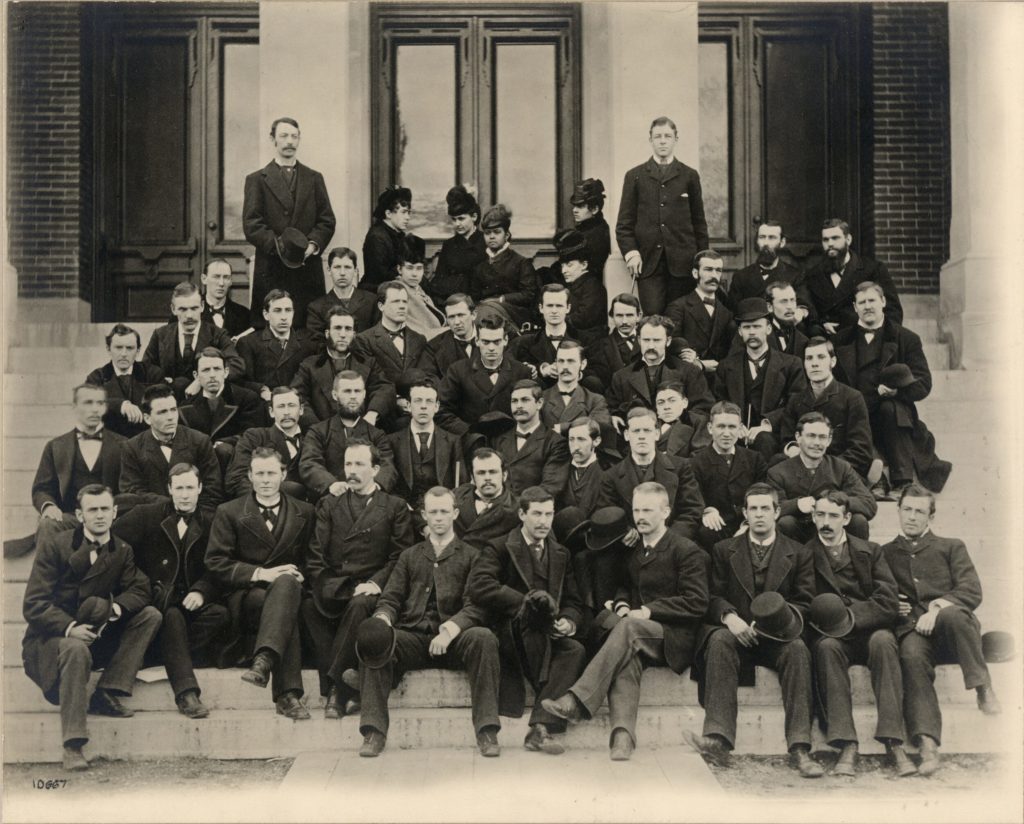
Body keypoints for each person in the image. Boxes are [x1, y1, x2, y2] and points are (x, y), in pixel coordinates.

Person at [541, 482, 709, 761]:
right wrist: (622, 604)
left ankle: (577, 701)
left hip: (675, 637)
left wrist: (647, 611)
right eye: (636, 510)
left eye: (648, 510)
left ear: (665, 512)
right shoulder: (634, 550)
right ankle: (622, 737)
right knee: (626, 656)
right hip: (640, 634)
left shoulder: (685, 550)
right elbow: (626, 587)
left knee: (627, 628)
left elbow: (697, 602)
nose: (640, 516)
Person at [352, 487, 501, 758]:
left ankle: (487, 731)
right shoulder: (410, 556)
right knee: (377, 638)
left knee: (484, 638)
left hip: (456, 641)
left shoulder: (472, 555)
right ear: (424, 515)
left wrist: (449, 631)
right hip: (414, 637)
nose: (439, 518)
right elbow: (391, 598)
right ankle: (373, 732)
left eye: (445, 511)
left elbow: (476, 606)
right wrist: (383, 619)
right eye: (433, 512)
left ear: (455, 513)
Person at [683, 484, 820, 777]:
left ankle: (800, 748)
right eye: (753, 509)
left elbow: (805, 603)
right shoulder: (723, 550)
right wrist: (729, 617)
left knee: (798, 650)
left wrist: (775, 622)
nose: (759, 515)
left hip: (779, 636)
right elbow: (712, 595)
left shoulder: (798, 553)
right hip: (737, 633)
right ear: (745, 514)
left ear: (777, 512)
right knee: (718, 639)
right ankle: (718, 739)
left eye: (765, 509)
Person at [22, 484, 161, 770]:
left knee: (150, 615)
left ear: (115, 512)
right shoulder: (56, 546)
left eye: (104, 509)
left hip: (96, 634)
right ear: (79, 514)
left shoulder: (121, 549)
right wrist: (70, 627)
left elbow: (140, 588)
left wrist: (113, 610)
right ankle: (73, 744)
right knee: (75, 649)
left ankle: (108, 689)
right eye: (92, 510)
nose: (99, 515)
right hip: (52, 641)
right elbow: (34, 604)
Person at [882, 485, 1001, 776]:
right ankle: (927, 745)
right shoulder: (884, 553)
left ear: (930, 517)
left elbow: (971, 590)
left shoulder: (951, 546)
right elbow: (879, 594)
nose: (911, 517)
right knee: (910, 655)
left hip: (953, 632)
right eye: (906, 509)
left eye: (919, 512)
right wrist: (891, 606)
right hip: (913, 632)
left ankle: (982, 686)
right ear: (898, 511)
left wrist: (937, 608)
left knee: (955, 616)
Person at [469, 487, 587, 756]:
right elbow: (480, 586)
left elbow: (573, 600)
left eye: (549, 514)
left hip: (547, 632)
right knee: (534, 621)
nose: (544, 521)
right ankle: (544, 719)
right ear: (522, 514)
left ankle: (540, 728)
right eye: (537, 514)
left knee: (575, 649)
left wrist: (568, 621)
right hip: (511, 632)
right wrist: (525, 602)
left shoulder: (560, 553)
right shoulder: (499, 546)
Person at [806, 490, 913, 777]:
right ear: (814, 517)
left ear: (847, 518)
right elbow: (803, 600)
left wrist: (851, 616)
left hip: (868, 630)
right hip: (831, 635)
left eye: (833, 516)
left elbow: (888, 600)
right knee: (826, 648)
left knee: (885, 641)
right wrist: (830, 619)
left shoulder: (870, 550)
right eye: (820, 515)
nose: (826, 522)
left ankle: (893, 741)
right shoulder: (804, 554)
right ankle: (846, 743)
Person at [303, 441, 414, 718]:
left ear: (375, 469)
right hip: (335, 584)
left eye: (359, 464)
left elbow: (400, 557)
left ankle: (336, 689)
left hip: (374, 586)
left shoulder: (395, 506)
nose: (351, 471)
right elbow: (316, 554)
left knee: (360, 604)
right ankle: (350, 691)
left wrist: (376, 583)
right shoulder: (329, 503)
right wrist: (326, 585)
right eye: (348, 464)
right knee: (308, 607)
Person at [111, 463, 229, 719]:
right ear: (169, 489)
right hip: (156, 600)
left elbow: (220, 566)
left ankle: (163, 654)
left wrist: (201, 591)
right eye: (179, 488)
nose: (184, 495)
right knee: (172, 617)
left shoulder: (213, 520)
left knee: (219, 615)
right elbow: (115, 545)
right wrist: (142, 582)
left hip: (191, 603)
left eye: (189, 488)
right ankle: (187, 693)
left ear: (199, 489)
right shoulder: (146, 515)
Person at [205, 448, 314, 719]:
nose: (266, 479)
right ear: (250, 476)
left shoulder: (306, 511)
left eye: (272, 473)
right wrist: (261, 574)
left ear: (284, 475)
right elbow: (216, 562)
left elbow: (315, 558)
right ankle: (287, 693)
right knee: (283, 592)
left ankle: (264, 662)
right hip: (248, 598)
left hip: (291, 592)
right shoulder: (229, 511)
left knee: (288, 585)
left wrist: (304, 575)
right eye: (260, 473)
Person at [834, 281, 952, 495]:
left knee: (891, 409)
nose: (867, 306)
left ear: (883, 302)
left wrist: (898, 392)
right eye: (862, 302)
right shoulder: (841, 340)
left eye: (872, 300)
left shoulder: (906, 338)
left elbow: (923, 383)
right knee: (854, 415)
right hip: (855, 410)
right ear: (855, 307)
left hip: (890, 412)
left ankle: (902, 480)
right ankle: (876, 479)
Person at [243, 116, 336, 329]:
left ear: (299, 140)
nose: (289, 142)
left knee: (308, 327)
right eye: (283, 136)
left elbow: (327, 220)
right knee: (271, 329)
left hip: (307, 268)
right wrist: (279, 246)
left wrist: (312, 246)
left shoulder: (314, 178)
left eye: (294, 136)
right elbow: (252, 223)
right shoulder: (256, 180)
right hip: (272, 267)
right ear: (272, 140)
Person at [615, 116, 709, 314]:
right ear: (650, 140)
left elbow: (699, 223)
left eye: (668, 136)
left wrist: (702, 262)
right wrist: (631, 254)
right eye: (658, 136)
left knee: (681, 317)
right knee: (653, 318)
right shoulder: (635, 176)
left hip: (684, 264)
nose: (663, 140)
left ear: (676, 139)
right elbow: (624, 224)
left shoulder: (689, 176)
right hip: (649, 264)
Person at [22, 384, 126, 557]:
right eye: (88, 403)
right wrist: (48, 507)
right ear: (74, 407)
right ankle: (46, 581)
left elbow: (130, 489)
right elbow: (41, 489)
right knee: (47, 524)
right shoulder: (56, 446)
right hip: (70, 517)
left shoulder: (123, 445)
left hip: (108, 519)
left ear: (106, 407)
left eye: (100, 403)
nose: (95, 409)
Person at [714, 298, 806, 461]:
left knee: (765, 441)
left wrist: (768, 424)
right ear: (740, 332)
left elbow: (796, 404)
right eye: (747, 327)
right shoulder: (726, 366)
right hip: (735, 436)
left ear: (768, 328)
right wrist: (734, 424)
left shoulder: (791, 364)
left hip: (773, 439)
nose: (752, 332)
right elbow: (719, 401)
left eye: (757, 326)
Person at [766, 412, 876, 542]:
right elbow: (769, 509)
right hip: (801, 536)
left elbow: (869, 503)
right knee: (785, 522)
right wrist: (797, 505)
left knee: (858, 520)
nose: (817, 443)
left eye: (822, 437)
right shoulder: (778, 472)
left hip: (834, 533)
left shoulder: (841, 468)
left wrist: (834, 502)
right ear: (798, 437)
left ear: (829, 440)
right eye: (811, 436)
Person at [598, 407, 704, 540]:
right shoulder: (610, 476)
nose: (641, 436)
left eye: (647, 430)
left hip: (672, 543)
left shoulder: (680, 467)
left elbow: (692, 510)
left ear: (657, 434)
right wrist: (625, 532)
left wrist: (667, 538)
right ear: (626, 435)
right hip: (631, 547)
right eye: (636, 431)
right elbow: (608, 514)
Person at [778, 336, 874, 480]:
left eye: (821, 357)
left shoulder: (852, 397)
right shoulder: (796, 400)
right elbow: (787, 438)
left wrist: (825, 468)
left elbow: (860, 449)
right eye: (809, 358)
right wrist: (793, 449)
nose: (814, 364)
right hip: (802, 469)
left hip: (837, 472)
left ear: (833, 362)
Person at [118, 384, 223, 515]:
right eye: (162, 412)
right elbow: (132, 491)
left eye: (173, 410)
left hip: (195, 518)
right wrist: (170, 505)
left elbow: (212, 489)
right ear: (147, 418)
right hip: (152, 518)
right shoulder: (132, 447)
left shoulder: (200, 441)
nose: (170, 417)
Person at [299, 370, 397, 498]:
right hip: (331, 500)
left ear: (364, 394)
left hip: (369, 500)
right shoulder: (318, 431)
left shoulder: (377, 435)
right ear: (335, 395)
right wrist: (331, 484)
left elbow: (387, 466)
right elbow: (309, 463)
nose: (353, 396)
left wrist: (374, 487)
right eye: (347, 391)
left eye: (357, 391)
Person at [291, 305, 394, 426]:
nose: (343, 334)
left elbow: (385, 388)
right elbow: (297, 396)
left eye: (348, 329)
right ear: (327, 333)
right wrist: (318, 429)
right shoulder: (309, 365)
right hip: (322, 435)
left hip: (362, 432)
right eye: (338, 328)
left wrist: (372, 414)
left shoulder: (368, 363)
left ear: (354, 334)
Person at [142, 282, 244, 401]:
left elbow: (237, 365)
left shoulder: (218, 334)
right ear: (173, 309)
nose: (189, 315)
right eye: (183, 309)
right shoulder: (160, 335)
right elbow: (146, 367)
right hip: (170, 402)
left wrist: (201, 380)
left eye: (194, 308)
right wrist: (163, 380)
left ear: (202, 306)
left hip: (207, 402)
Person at [436, 312, 533, 435]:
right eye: (486, 342)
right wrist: (470, 433)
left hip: (510, 443)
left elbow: (530, 412)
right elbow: (442, 410)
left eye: (496, 342)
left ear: (506, 340)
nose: (491, 348)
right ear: (477, 341)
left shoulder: (521, 372)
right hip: (471, 443)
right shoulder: (458, 371)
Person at [803, 218, 903, 338]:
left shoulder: (872, 270)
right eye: (825, 240)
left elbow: (893, 312)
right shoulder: (814, 275)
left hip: (864, 340)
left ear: (848, 239)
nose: (830, 244)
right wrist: (821, 325)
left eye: (835, 238)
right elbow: (810, 313)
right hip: (828, 343)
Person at [689, 402, 767, 550]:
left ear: (740, 429)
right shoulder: (696, 463)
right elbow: (693, 498)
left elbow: (762, 495)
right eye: (721, 427)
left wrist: (747, 525)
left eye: (732, 427)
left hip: (750, 523)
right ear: (710, 428)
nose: (726, 433)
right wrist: (706, 511)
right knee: (706, 532)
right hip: (718, 528)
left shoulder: (755, 459)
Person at [606, 315, 713, 421]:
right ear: (639, 340)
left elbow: (703, 409)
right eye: (646, 340)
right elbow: (612, 410)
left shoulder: (689, 372)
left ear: (668, 341)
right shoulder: (621, 377)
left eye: (656, 340)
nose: (651, 346)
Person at [385, 375, 465, 512]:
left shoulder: (453, 441)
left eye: (429, 401)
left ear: (436, 406)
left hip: (441, 513)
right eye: (418, 401)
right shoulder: (392, 441)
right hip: (405, 514)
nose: (423, 406)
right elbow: (389, 485)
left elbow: (461, 485)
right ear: (409, 406)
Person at [178, 347, 265, 471]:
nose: (212, 375)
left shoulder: (246, 398)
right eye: (206, 370)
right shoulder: (186, 407)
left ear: (226, 372)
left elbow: (253, 435)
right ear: (196, 375)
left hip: (235, 464)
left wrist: (224, 443)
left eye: (217, 369)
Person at [488, 380, 570, 498]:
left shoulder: (555, 442)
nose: (519, 405)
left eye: (525, 400)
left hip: (534, 510)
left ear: (539, 403)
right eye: (514, 401)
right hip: (501, 509)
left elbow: (550, 487)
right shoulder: (499, 440)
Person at [225, 387, 309, 500]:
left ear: (301, 410)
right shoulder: (255, 437)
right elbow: (236, 480)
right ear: (271, 412)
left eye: (291, 405)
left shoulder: (311, 441)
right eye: (281, 406)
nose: (287, 412)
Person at [237, 290, 320, 401]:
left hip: (299, 405)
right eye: (277, 311)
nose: (284, 317)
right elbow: (241, 381)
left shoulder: (308, 343)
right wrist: (260, 389)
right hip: (265, 405)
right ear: (266, 315)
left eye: (288, 310)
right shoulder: (249, 343)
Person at [84, 324, 164, 438]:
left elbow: (162, 405)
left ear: (138, 351)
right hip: (111, 442)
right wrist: (121, 405)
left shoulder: (152, 374)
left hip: (146, 440)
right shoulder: (97, 377)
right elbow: (90, 404)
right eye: (118, 347)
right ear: (108, 349)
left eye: (130, 348)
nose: (124, 354)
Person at [469, 203, 539, 329]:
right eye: (487, 233)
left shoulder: (521, 262)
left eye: (496, 232)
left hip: (514, 313)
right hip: (485, 311)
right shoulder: (480, 266)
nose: (491, 236)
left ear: (506, 235)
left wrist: (501, 299)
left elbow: (529, 294)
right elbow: (475, 296)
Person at [665, 250, 735, 375]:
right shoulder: (678, 307)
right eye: (708, 269)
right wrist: (697, 362)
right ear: (695, 273)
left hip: (719, 380)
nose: (714, 275)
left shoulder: (727, 313)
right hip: (688, 377)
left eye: (718, 270)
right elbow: (672, 341)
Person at [351, 281, 429, 386]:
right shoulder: (364, 340)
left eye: (404, 302)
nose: (402, 306)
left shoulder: (419, 339)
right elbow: (370, 379)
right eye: (396, 301)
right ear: (381, 306)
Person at [725, 220, 809, 312]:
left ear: (782, 242)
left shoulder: (795, 275)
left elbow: (804, 305)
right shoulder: (741, 277)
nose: (766, 243)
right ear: (757, 241)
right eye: (762, 237)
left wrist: (801, 312)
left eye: (772, 238)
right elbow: (732, 311)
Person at [452, 448, 522, 550]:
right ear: (472, 477)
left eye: (493, 472)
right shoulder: (457, 495)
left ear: (504, 475)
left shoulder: (516, 507)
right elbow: (424, 507)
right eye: (481, 473)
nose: (487, 478)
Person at [427, 185, 486, 306]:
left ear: (474, 217)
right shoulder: (449, 245)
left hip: (479, 301)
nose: (457, 224)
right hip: (452, 300)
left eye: (461, 219)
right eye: (454, 219)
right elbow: (439, 280)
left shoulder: (485, 242)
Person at [510, 284, 578, 387]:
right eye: (549, 306)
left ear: (568, 308)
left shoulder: (583, 340)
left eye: (559, 306)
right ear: (541, 308)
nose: (554, 311)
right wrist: (541, 370)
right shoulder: (523, 343)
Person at [540, 340, 610, 435]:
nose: (565, 366)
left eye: (571, 361)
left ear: (583, 364)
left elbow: (600, 427)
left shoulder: (595, 401)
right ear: (556, 364)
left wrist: (562, 428)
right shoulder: (541, 399)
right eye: (561, 361)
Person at [305, 247, 377, 336]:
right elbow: (316, 343)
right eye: (337, 267)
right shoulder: (316, 308)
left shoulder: (371, 301)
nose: (342, 273)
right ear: (329, 270)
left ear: (355, 271)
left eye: (347, 267)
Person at [554, 228, 608, 345]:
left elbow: (584, 317)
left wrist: (557, 320)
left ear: (584, 265)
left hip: (590, 342)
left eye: (569, 265)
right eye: (562, 266)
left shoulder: (593, 286)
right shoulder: (570, 286)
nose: (564, 271)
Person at [585, 292, 644, 392]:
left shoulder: (650, 340)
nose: (624, 321)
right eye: (619, 315)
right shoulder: (599, 347)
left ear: (639, 316)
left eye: (629, 315)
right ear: (612, 317)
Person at [362, 185, 415, 293]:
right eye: (404, 212)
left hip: (396, 287)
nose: (408, 217)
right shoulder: (376, 237)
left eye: (409, 212)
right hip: (378, 292)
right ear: (388, 214)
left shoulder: (398, 235)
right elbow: (381, 275)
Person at [393, 234, 446, 339]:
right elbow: (419, 333)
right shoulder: (397, 291)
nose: (414, 274)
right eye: (409, 268)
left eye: (419, 268)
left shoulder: (419, 290)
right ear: (399, 269)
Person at [559, 417, 610, 513]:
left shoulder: (608, 472)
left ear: (596, 441)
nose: (576, 446)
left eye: (581, 439)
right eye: (571, 439)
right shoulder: (558, 469)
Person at [420, 293, 477, 379]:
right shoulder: (434, 347)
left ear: (473, 315)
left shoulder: (494, 337)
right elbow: (427, 376)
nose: (457, 322)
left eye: (461, 315)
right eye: (451, 317)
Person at [570, 177, 611, 281]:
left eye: (580, 206)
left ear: (595, 209)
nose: (574, 210)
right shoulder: (588, 228)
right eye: (574, 206)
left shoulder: (596, 234)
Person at [654, 381, 708, 458]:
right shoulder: (648, 423)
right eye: (661, 402)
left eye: (672, 401)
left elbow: (700, 458)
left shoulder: (697, 422)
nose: (666, 407)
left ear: (685, 403)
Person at [200, 258, 250, 337]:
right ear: (204, 279)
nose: (221, 283)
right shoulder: (191, 311)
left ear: (231, 281)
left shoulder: (244, 315)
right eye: (216, 277)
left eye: (226, 277)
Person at [764, 281, 810, 358]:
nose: (790, 306)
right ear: (769, 307)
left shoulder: (803, 339)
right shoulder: (761, 337)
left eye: (792, 300)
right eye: (783, 301)